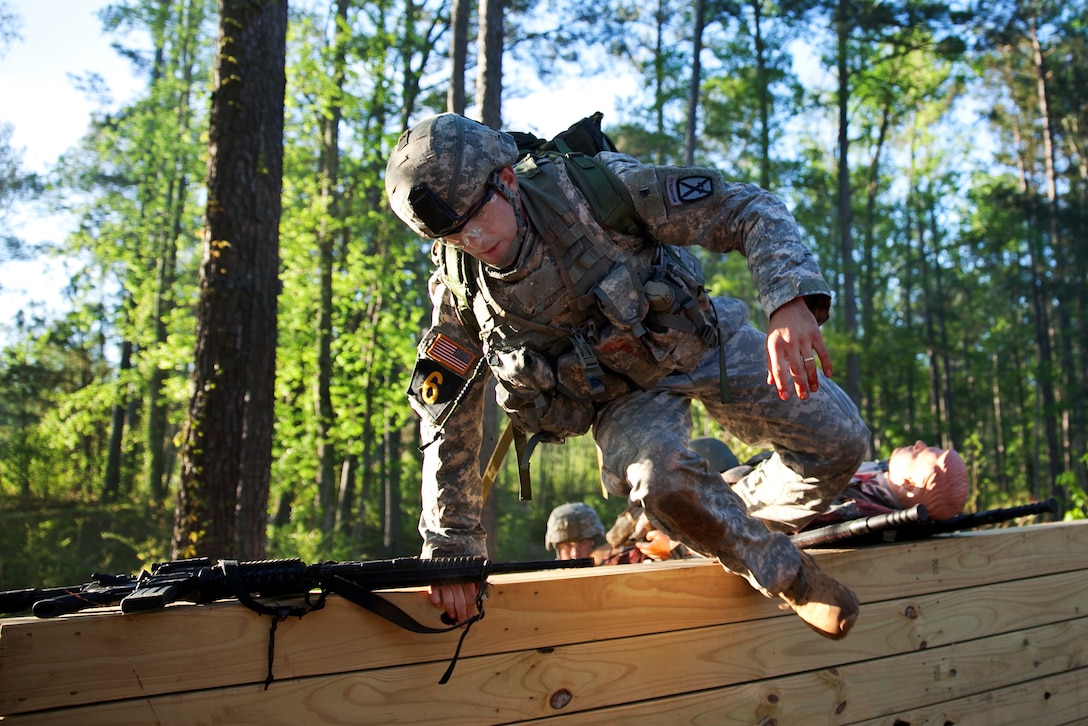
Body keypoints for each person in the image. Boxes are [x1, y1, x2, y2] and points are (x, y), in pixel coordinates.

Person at [385, 113, 871, 640]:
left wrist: (789, 301)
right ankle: (789, 577)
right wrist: (451, 546)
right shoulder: (461, 290)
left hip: (704, 342)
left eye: (476, 217)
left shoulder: (597, 190)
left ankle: (718, 509)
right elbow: (444, 421)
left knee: (841, 444)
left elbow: (746, 208)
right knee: (659, 480)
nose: (473, 239)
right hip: (623, 402)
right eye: (453, 233)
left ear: (504, 179)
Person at [545, 502, 612, 563]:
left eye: (582, 543)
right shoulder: (548, 576)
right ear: (558, 549)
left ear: (594, 544)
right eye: (568, 545)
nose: (575, 554)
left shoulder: (612, 573)